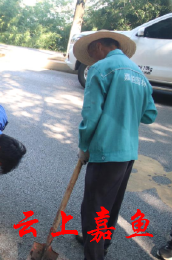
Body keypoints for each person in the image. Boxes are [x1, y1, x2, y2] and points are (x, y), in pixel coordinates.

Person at [74, 31, 157, 260]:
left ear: (99, 46)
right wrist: (127, 107)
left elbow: (91, 114)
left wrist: (84, 145)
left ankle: (94, 255)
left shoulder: (101, 69)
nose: (92, 60)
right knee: (109, 205)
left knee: (93, 208)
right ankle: (103, 243)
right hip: (127, 152)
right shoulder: (139, 74)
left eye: (92, 54)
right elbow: (150, 115)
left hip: (105, 150)